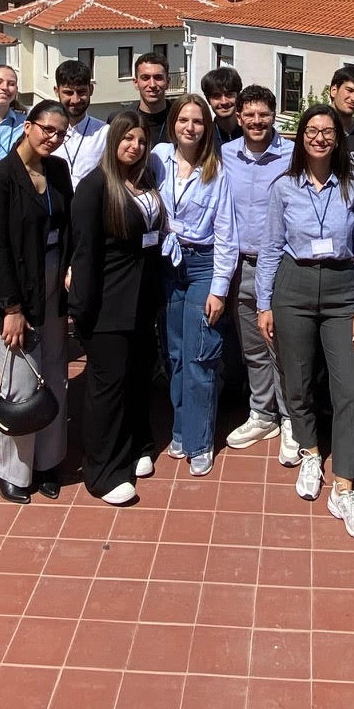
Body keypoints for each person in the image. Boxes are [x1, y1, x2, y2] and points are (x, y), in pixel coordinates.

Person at [257, 105, 354, 540]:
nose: (320, 137)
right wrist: (264, 303)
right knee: (299, 380)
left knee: (351, 389)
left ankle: (344, 485)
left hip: (344, 289)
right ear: (301, 136)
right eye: (312, 130)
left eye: (328, 131)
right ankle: (310, 451)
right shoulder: (284, 187)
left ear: (337, 138)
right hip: (294, 286)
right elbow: (271, 247)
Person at [0, 100, 74, 503]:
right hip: (16, 289)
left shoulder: (58, 170)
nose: (53, 138)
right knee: (19, 383)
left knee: (54, 375)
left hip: (52, 280)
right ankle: (12, 470)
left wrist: (70, 268)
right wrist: (11, 309)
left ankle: (47, 462)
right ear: (28, 126)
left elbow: (68, 226)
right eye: (47, 129)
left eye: (61, 133)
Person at [69, 111, 164, 503]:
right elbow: (84, 253)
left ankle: (138, 445)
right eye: (127, 138)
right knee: (108, 387)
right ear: (113, 141)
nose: (135, 146)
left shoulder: (145, 179)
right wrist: (81, 309)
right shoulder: (94, 187)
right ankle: (103, 472)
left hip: (143, 300)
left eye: (141, 141)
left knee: (138, 378)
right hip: (107, 304)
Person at [152, 94, 238, 475]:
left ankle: (200, 440)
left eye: (198, 121)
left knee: (200, 353)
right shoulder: (158, 159)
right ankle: (181, 428)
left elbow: (226, 234)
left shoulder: (216, 170)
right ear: (173, 123)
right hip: (167, 264)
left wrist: (219, 288)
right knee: (174, 353)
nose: (190, 127)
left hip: (203, 265)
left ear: (207, 127)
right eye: (183, 120)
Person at [220, 85, 298, 462]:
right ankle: (262, 414)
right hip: (240, 266)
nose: (256, 121)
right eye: (249, 114)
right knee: (252, 348)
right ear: (238, 118)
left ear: (273, 115)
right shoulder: (225, 156)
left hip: (278, 266)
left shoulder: (292, 156)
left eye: (263, 114)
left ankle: (291, 419)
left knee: (281, 346)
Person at [56, 58, 107, 185]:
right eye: (68, 93)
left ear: (91, 89)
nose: (75, 99)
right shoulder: (46, 132)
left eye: (81, 92)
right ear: (57, 91)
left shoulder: (105, 133)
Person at [134, 52, 174, 150]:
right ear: (136, 83)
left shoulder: (180, 120)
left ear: (167, 82)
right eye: (145, 78)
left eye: (158, 78)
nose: (152, 84)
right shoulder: (122, 120)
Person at [201, 65, 244, 144]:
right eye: (216, 96)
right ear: (208, 100)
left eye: (229, 94)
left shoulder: (251, 133)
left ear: (238, 96)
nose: (224, 102)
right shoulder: (204, 138)